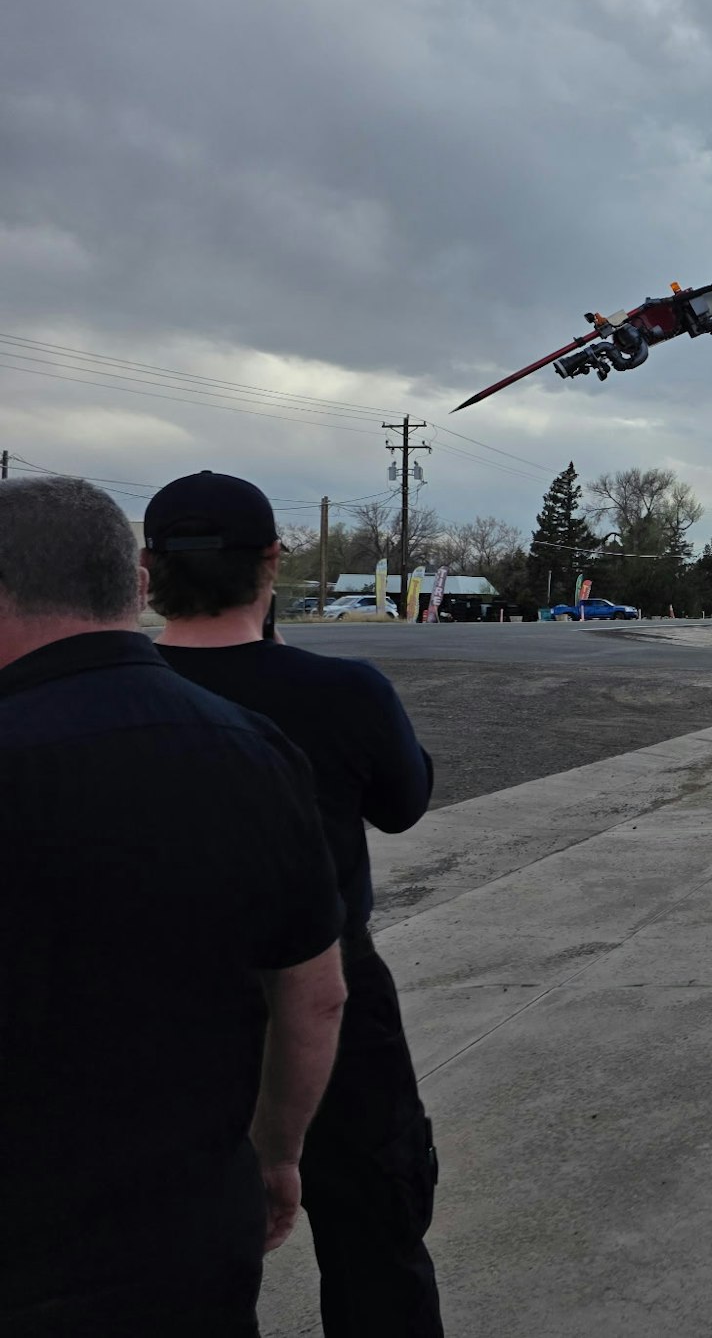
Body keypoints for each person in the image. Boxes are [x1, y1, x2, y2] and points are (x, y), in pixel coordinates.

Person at [0, 476, 347, 1336]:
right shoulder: (253, 750)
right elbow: (315, 993)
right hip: (190, 1231)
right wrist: (277, 1155)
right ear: (136, 587)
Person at [145, 471, 443, 1338]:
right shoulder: (344, 691)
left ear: (148, 570)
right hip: (336, 1004)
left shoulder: (112, 696)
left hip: (161, 1015)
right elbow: (404, 801)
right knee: (376, 1236)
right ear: (272, 561)